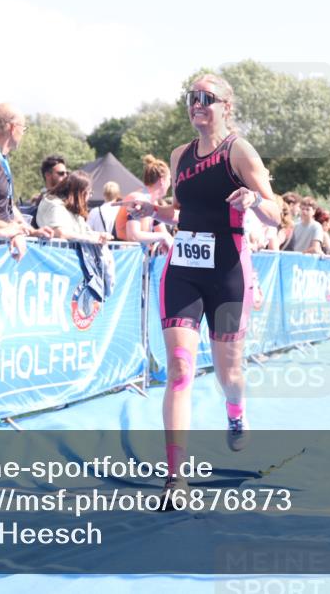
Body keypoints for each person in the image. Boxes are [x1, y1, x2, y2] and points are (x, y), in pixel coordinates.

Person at [118, 74, 280, 503]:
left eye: (207, 98)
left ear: (227, 105)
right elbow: (184, 212)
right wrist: (155, 209)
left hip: (227, 272)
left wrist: (253, 201)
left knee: (230, 374)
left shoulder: (239, 151)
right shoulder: (179, 156)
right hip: (184, 270)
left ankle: (236, 411)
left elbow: (276, 212)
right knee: (180, 369)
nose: (197, 104)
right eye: (192, 97)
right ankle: (176, 477)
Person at [114, 155, 175, 254]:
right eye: (169, 179)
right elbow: (133, 236)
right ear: (162, 181)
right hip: (125, 258)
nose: (170, 184)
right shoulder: (138, 198)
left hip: (137, 258)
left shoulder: (153, 203)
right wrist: (163, 237)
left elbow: (163, 233)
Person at [0, 103, 29, 224]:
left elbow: (7, 204)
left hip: (2, 237)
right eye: (23, 129)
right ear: (13, 128)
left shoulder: (1, 158)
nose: (23, 134)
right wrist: (5, 230)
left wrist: (31, 230)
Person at [36, 171, 111, 244]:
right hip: (54, 254)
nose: (89, 197)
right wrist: (92, 239)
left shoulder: (71, 208)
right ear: (81, 193)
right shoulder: (55, 204)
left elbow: (84, 232)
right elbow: (60, 233)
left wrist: (99, 235)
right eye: (90, 193)